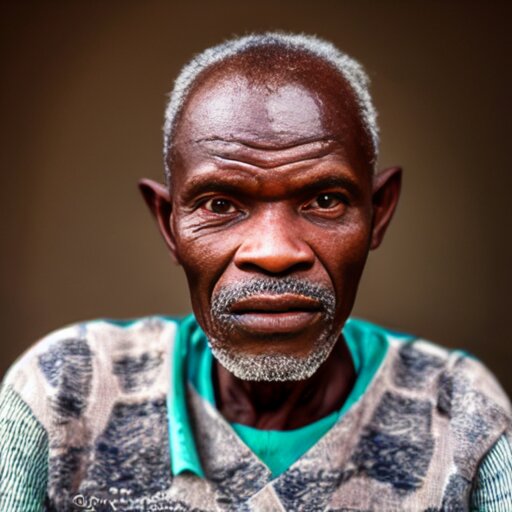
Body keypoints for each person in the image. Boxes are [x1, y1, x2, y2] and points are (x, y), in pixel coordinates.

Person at [1, 32, 510, 512]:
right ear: (169, 223)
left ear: (378, 211)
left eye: (325, 200)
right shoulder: (65, 391)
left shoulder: (460, 413)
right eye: (220, 203)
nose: (273, 252)